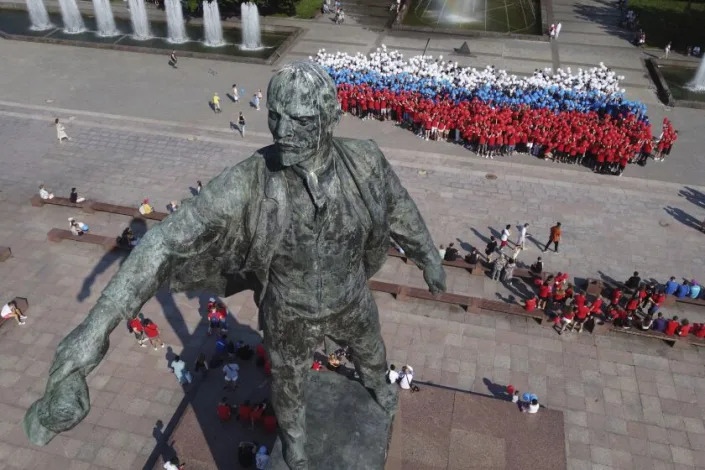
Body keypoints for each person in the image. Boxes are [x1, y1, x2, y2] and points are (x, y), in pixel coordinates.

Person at [26, 62, 446, 470]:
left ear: (330, 117)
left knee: (372, 351)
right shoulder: (250, 180)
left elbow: (399, 209)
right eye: (275, 117)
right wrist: (96, 326)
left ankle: (376, 384)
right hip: (289, 311)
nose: (282, 131)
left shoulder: (365, 161)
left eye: (298, 120)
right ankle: (295, 445)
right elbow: (165, 240)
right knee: (289, 384)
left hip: (351, 295)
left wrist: (427, 254)